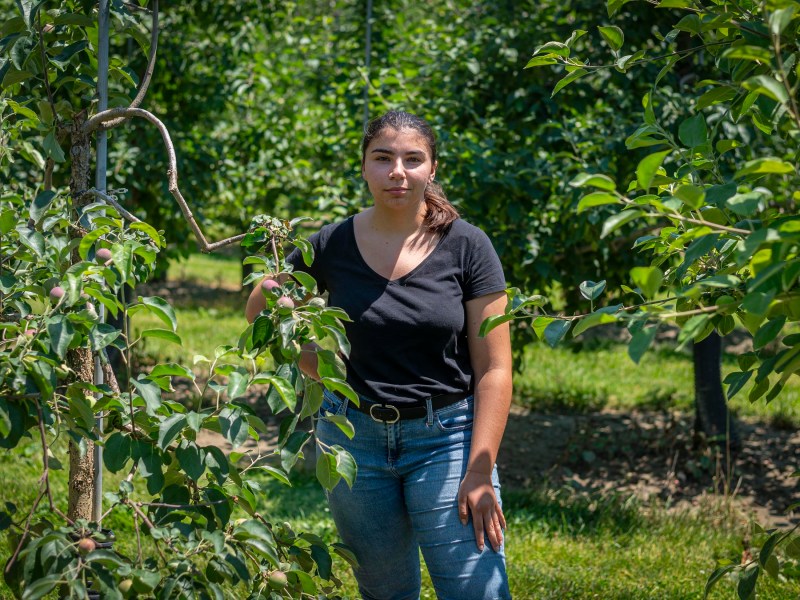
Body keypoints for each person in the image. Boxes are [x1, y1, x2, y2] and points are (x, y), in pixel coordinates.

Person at [246, 110, 512, 600]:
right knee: (386, 592)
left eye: (413, 159)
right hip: (354, 442)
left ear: (433, 168)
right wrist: (316, 363)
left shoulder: (468, 246)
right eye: (383, 157)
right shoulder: (330, 243)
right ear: (364, 167)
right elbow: (261, 314)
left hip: (446, 438)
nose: (398, 171)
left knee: (477, 590)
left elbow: (495, 368)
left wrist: (479, 471)